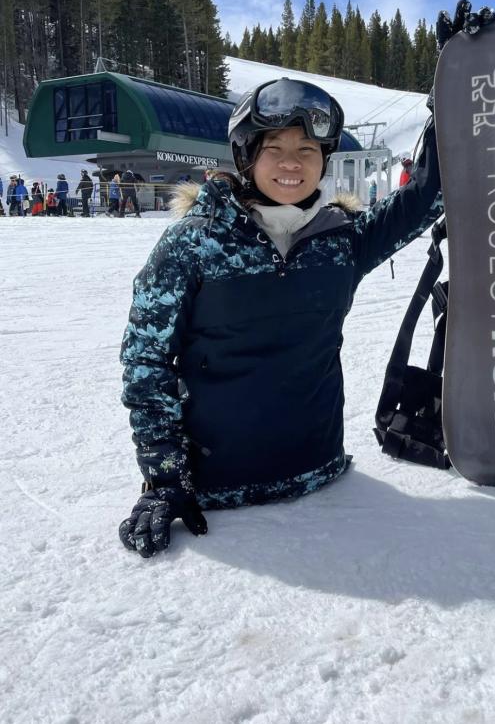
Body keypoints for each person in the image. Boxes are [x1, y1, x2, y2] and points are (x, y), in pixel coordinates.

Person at [118, 76, 444, 558]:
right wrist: (166, 479)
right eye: (275, 147)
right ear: (247, 154)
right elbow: (145, 364)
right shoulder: (194, 243)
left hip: (324, 484)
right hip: (217, 499)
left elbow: (426, 195)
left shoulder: (341, 241)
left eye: (308, 149)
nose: (292, 163)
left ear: (324, 160)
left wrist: (450, 103)